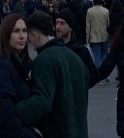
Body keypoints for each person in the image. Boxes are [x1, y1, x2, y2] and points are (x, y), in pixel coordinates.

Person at [16, 10, 89, 138]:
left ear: (35, 35)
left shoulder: (44, 60)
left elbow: (42, 102)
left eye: (30, 39)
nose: (31, 44)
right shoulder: (75, 58)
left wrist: (13, 112)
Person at [0, 14, 37, 138]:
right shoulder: (3, 67)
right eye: (16, 31)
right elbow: (2, 117)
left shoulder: (22, 64)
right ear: (6, 34)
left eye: (24, 31)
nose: (22, 36)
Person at [54, 9, 97, 88]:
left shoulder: (80, 50)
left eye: (62, 23)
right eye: (56, 23)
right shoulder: (52, 48)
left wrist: (79, 87)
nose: (58, 27)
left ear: (70, 27)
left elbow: (92, 75)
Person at [86, 0, 111, 70]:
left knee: (97, 56)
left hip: (94, 36)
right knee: (104, 54)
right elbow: (108, 24)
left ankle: (99, 72)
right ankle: (105, 72)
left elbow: (88, 26)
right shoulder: (106, 11)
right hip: (104, 34)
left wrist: (87, 39)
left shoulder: (89, 11)